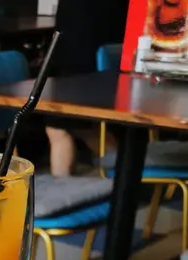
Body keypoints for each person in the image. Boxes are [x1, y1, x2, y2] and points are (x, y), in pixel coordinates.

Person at [46, 0, 130, 175]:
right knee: (88, 125)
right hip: (101, 38)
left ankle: (63, 191)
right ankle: (128, 176)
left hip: (79, 40)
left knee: (61, 126)